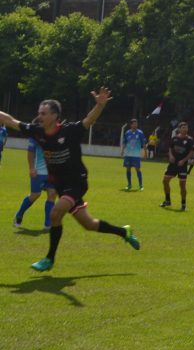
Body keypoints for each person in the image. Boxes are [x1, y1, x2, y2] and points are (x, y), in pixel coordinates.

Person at [0, 88, 141, 271]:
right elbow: (10, 120)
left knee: (55, 213)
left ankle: (49, 259)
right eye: (39, 113)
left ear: (55, 116)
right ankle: (124, 232)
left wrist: (99, 105)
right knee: (89, 224)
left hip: (76, 182)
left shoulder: (70, 131)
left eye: (43, 113)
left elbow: (89, 120)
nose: (39, 116)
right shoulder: (37, 131)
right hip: (60, 185)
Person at [14, 131, 57, 230]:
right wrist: (31, 168)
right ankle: (19, 214)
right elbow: (30, 152)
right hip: (39, 171)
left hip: (52, 172)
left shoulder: (57, 134)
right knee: (35, 195)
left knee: (52, 194)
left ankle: (48, 224)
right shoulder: (36, 134)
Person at [161, 122, 194, 210]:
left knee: (182, 185)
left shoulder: (190, 140)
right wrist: (171, 156)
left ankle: (183, 204)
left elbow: (191, 152)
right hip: (173, 164)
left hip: (182, 166)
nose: (185, 129)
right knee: (165, 181)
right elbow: (170, 148)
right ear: (179, 129)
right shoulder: (174, 138)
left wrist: (183, 161)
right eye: (183, 127)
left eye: (186, 128)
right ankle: (167, 200)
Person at [122, 118, 147, 191]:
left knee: (137, 169)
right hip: (128, 154)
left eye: (136, 124)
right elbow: (124, 142)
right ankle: (129, 185)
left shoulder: (140, 133)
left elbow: (144, 143)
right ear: (131, 125)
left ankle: (141, 185)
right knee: (128, 168)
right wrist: (122, 150)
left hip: (136, 155)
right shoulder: (127, 133)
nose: (136, 125)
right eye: (134, 124)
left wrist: (145, 153)